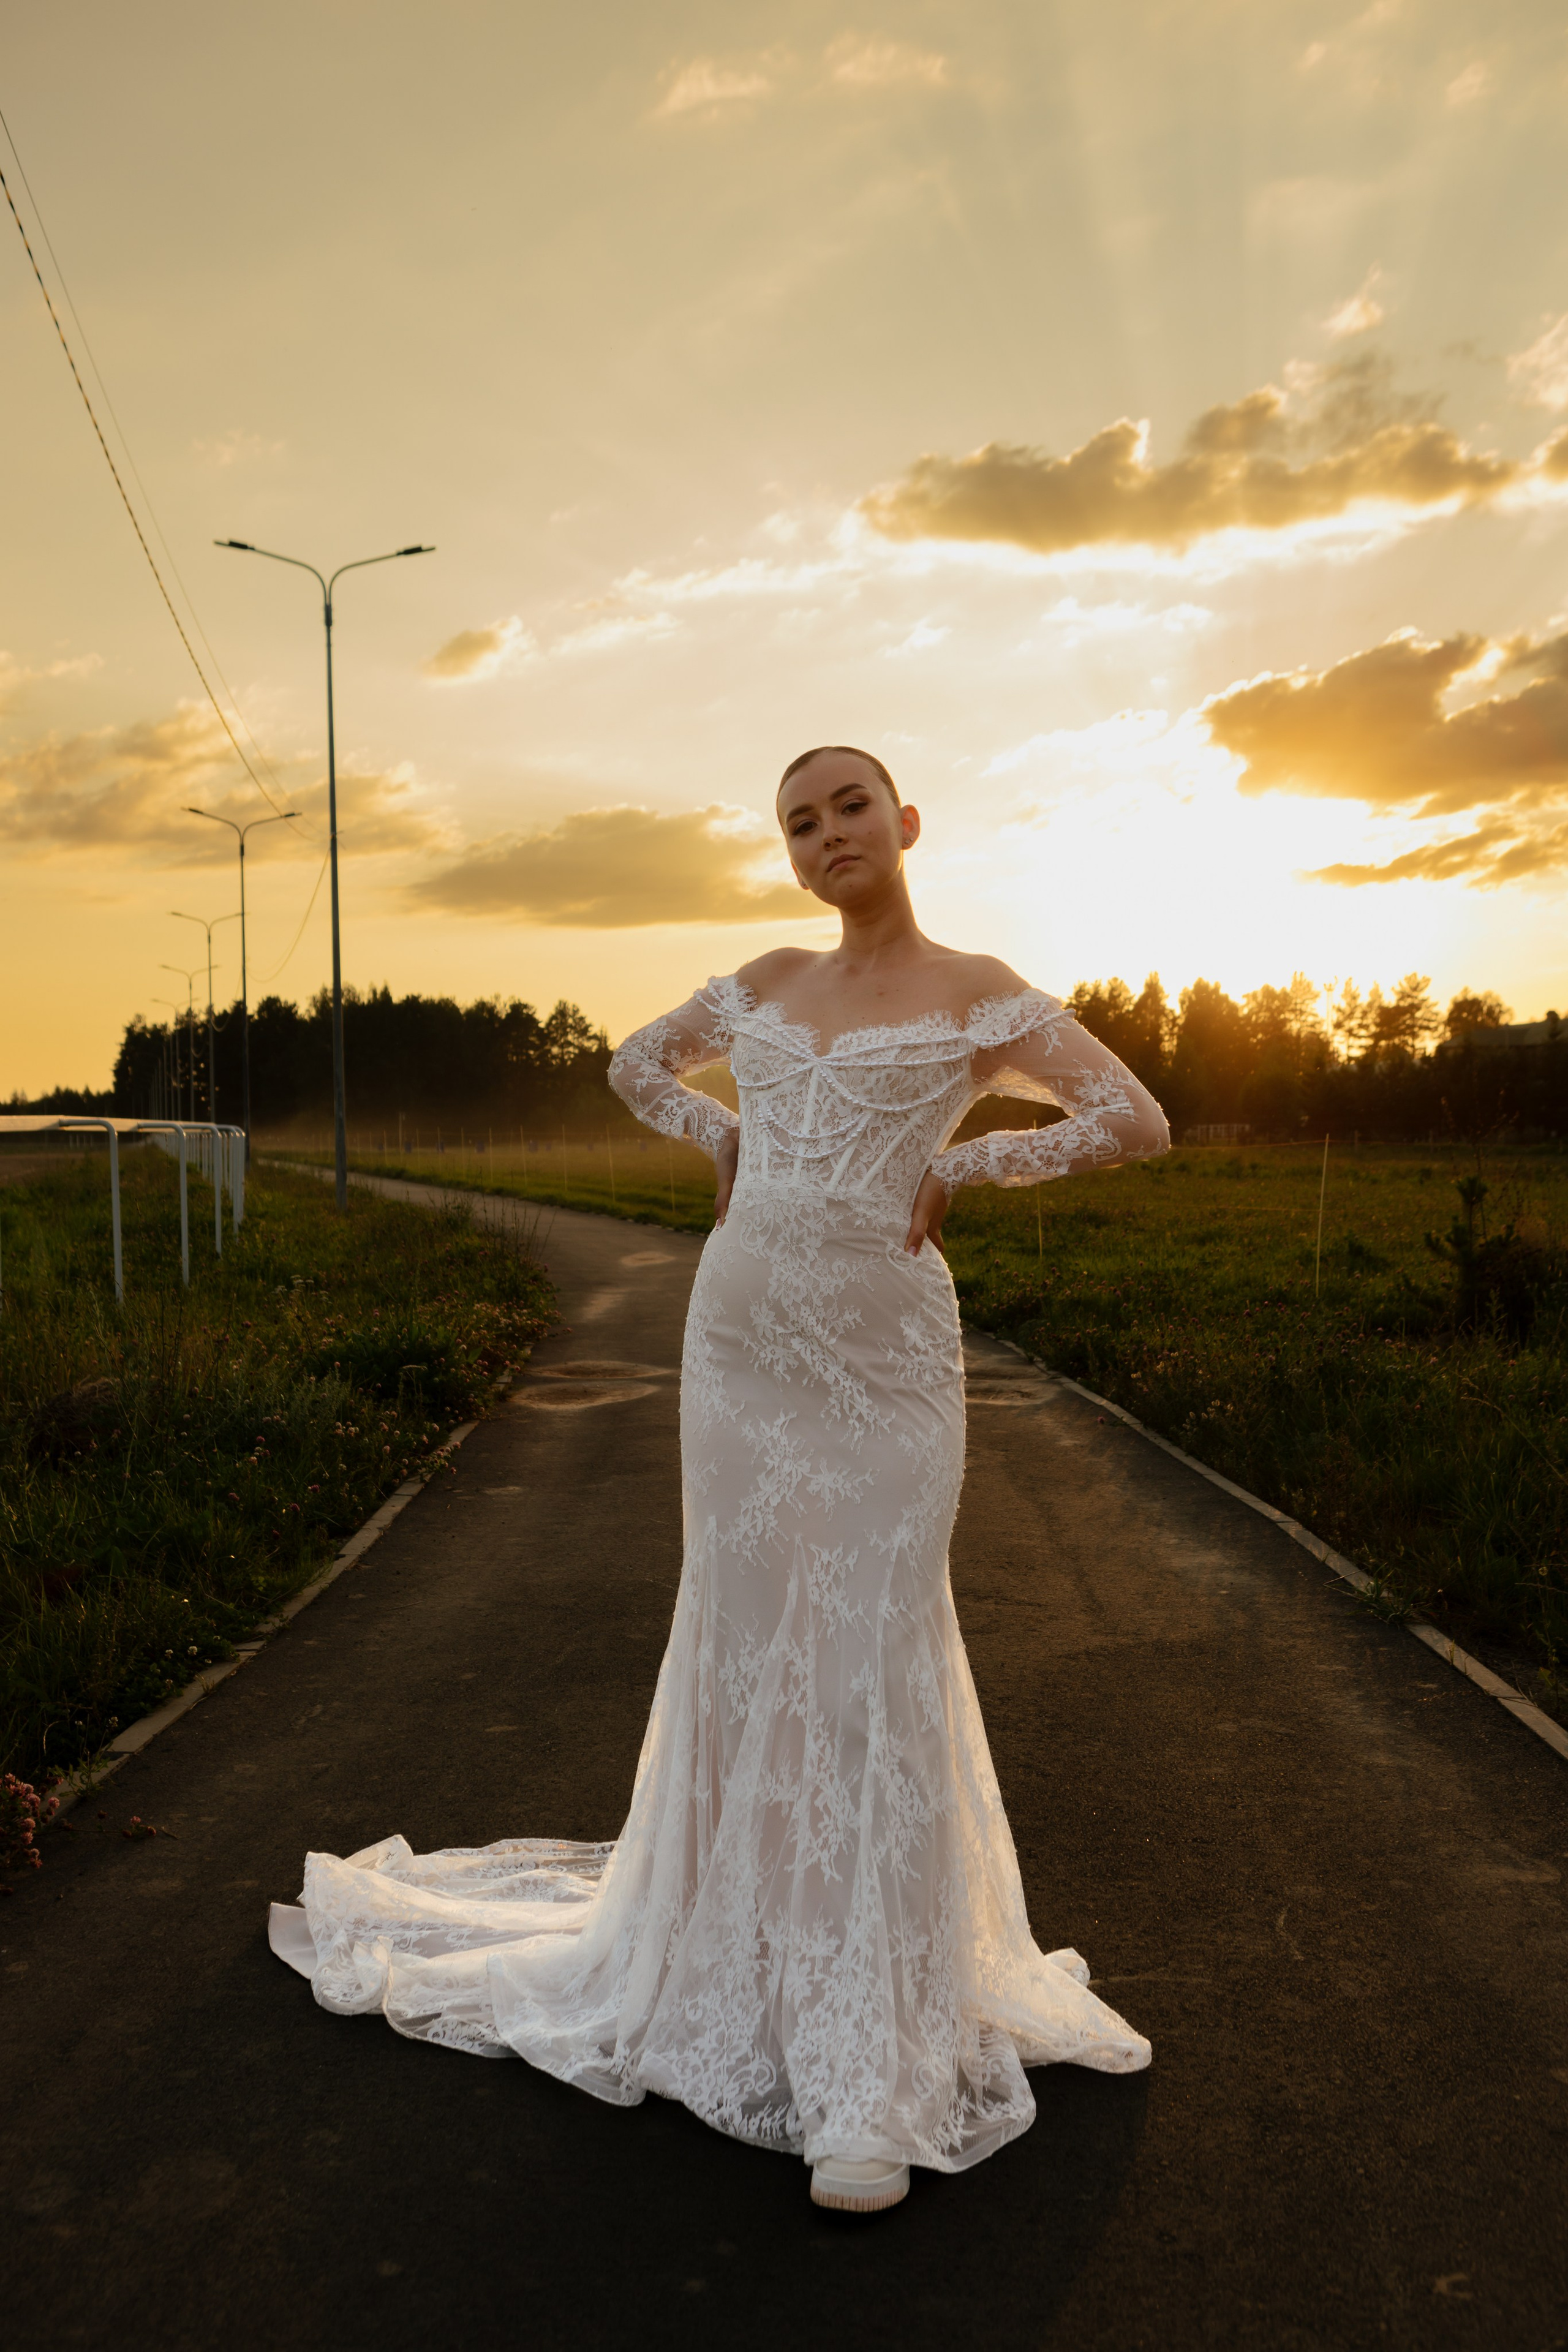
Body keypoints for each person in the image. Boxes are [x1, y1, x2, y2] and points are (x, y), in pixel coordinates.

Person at [270, 745, 1170, 2215]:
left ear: (905, 822)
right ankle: (742, 1965)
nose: (828, 835)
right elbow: (632, 1063)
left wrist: (972, 1173)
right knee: (750, 1643)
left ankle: (861, 2057)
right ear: (791, 856)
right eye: (799, 823)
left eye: (849, 807)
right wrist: (725, 1133)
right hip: (741, 1338)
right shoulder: (763, 978)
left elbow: (1136, 1119)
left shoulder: (979, 988)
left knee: (869, 1649)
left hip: (883, 1360)